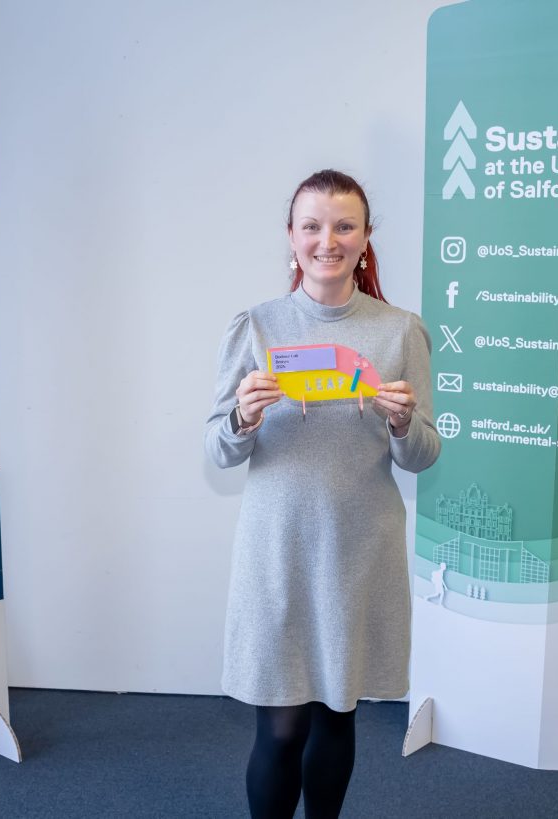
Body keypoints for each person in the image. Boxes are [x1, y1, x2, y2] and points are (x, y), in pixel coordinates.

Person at [205, 169, 440, 818]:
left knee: (338, 715)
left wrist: (399, 420)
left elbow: (422, 455)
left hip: (358, 548)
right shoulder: (256, 327)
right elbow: (218, 451)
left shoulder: (400, 331)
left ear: (366, 239)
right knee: (280, 726)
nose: (327, 240)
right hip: (277, 548)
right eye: (311, 225)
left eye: (344, 226)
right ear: (291, 235)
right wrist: (242, 418)